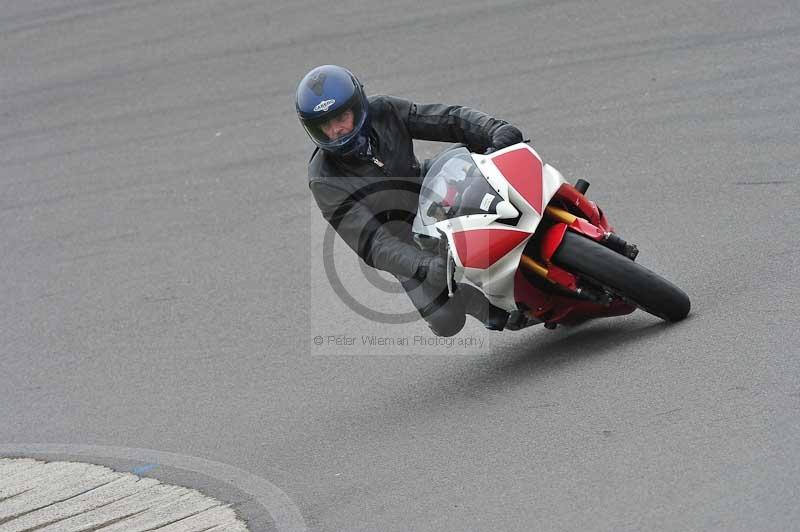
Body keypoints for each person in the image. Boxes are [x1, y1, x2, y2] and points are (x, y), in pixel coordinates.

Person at [297, 65, 527, 337]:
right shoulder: (323, 179)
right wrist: (422, 264)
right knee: (445, 321)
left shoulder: (384, 110)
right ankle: (474, 302)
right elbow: (373, 243)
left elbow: (446, 119)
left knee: (489, 167)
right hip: (401, 237)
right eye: (325, 125)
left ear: (357, 108)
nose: (336, 129)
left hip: (427, 188)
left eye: (341, 117)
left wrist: (494, 129)